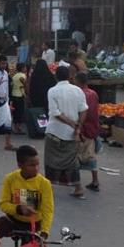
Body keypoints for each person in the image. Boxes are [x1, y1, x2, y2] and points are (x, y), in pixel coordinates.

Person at [45, 66, 88, 198]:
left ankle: (49, 188)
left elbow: (55, 113)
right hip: (72, 134)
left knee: (51, 161)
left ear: (55, 76)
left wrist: (71, 123)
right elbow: (84, 110)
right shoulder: (78, 91)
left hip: (55, 132)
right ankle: (78, 187)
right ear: (69, 76)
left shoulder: (52, 91)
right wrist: (78, 126)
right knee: (72, 162)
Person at [74, 72, 101, 191]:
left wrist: (78, 127)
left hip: (82, 128)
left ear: (78, 81)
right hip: (92, 128)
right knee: (91, 156)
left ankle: (77, 184)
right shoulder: (93, 93)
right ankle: (95, 180)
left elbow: (80, 112)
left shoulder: (79, 94)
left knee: (76, 156)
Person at [11, 63, 27, 135]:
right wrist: (25, 85)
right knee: (20, 112)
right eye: (25, 67)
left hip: (14, 95)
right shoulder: (22, 75)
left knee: (15, 112)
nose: (26, 69)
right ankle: (18, 128)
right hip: (20, 96)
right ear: (22, 68)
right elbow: (23, 81)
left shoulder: (15, 76)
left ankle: (15, 127)